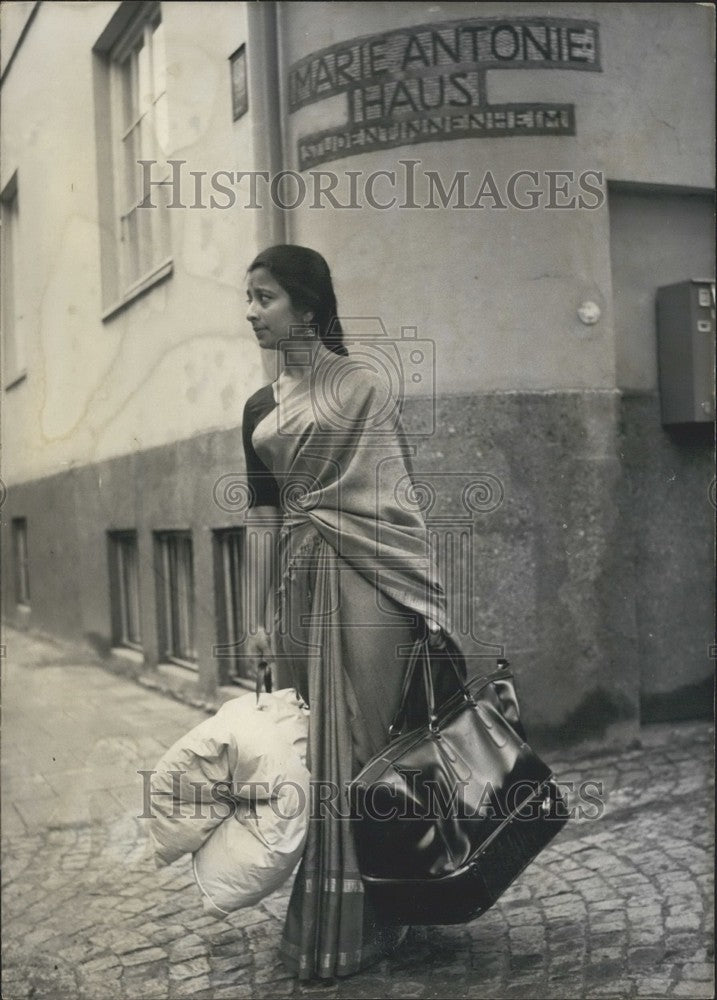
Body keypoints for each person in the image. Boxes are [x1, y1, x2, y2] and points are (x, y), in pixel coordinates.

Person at [240, 244, 463, 980]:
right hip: (299, 588)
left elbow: (397, 503)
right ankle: (346, 922)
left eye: (265, 297)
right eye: (248, 298)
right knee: (318, 755)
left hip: (370, 585)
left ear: (306, 306)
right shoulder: (259, 408)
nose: (251, 312)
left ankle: (376, 918)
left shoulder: (362, 390)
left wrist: (421, 596)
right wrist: (256, 619)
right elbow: (263, 518)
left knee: (364, 753)